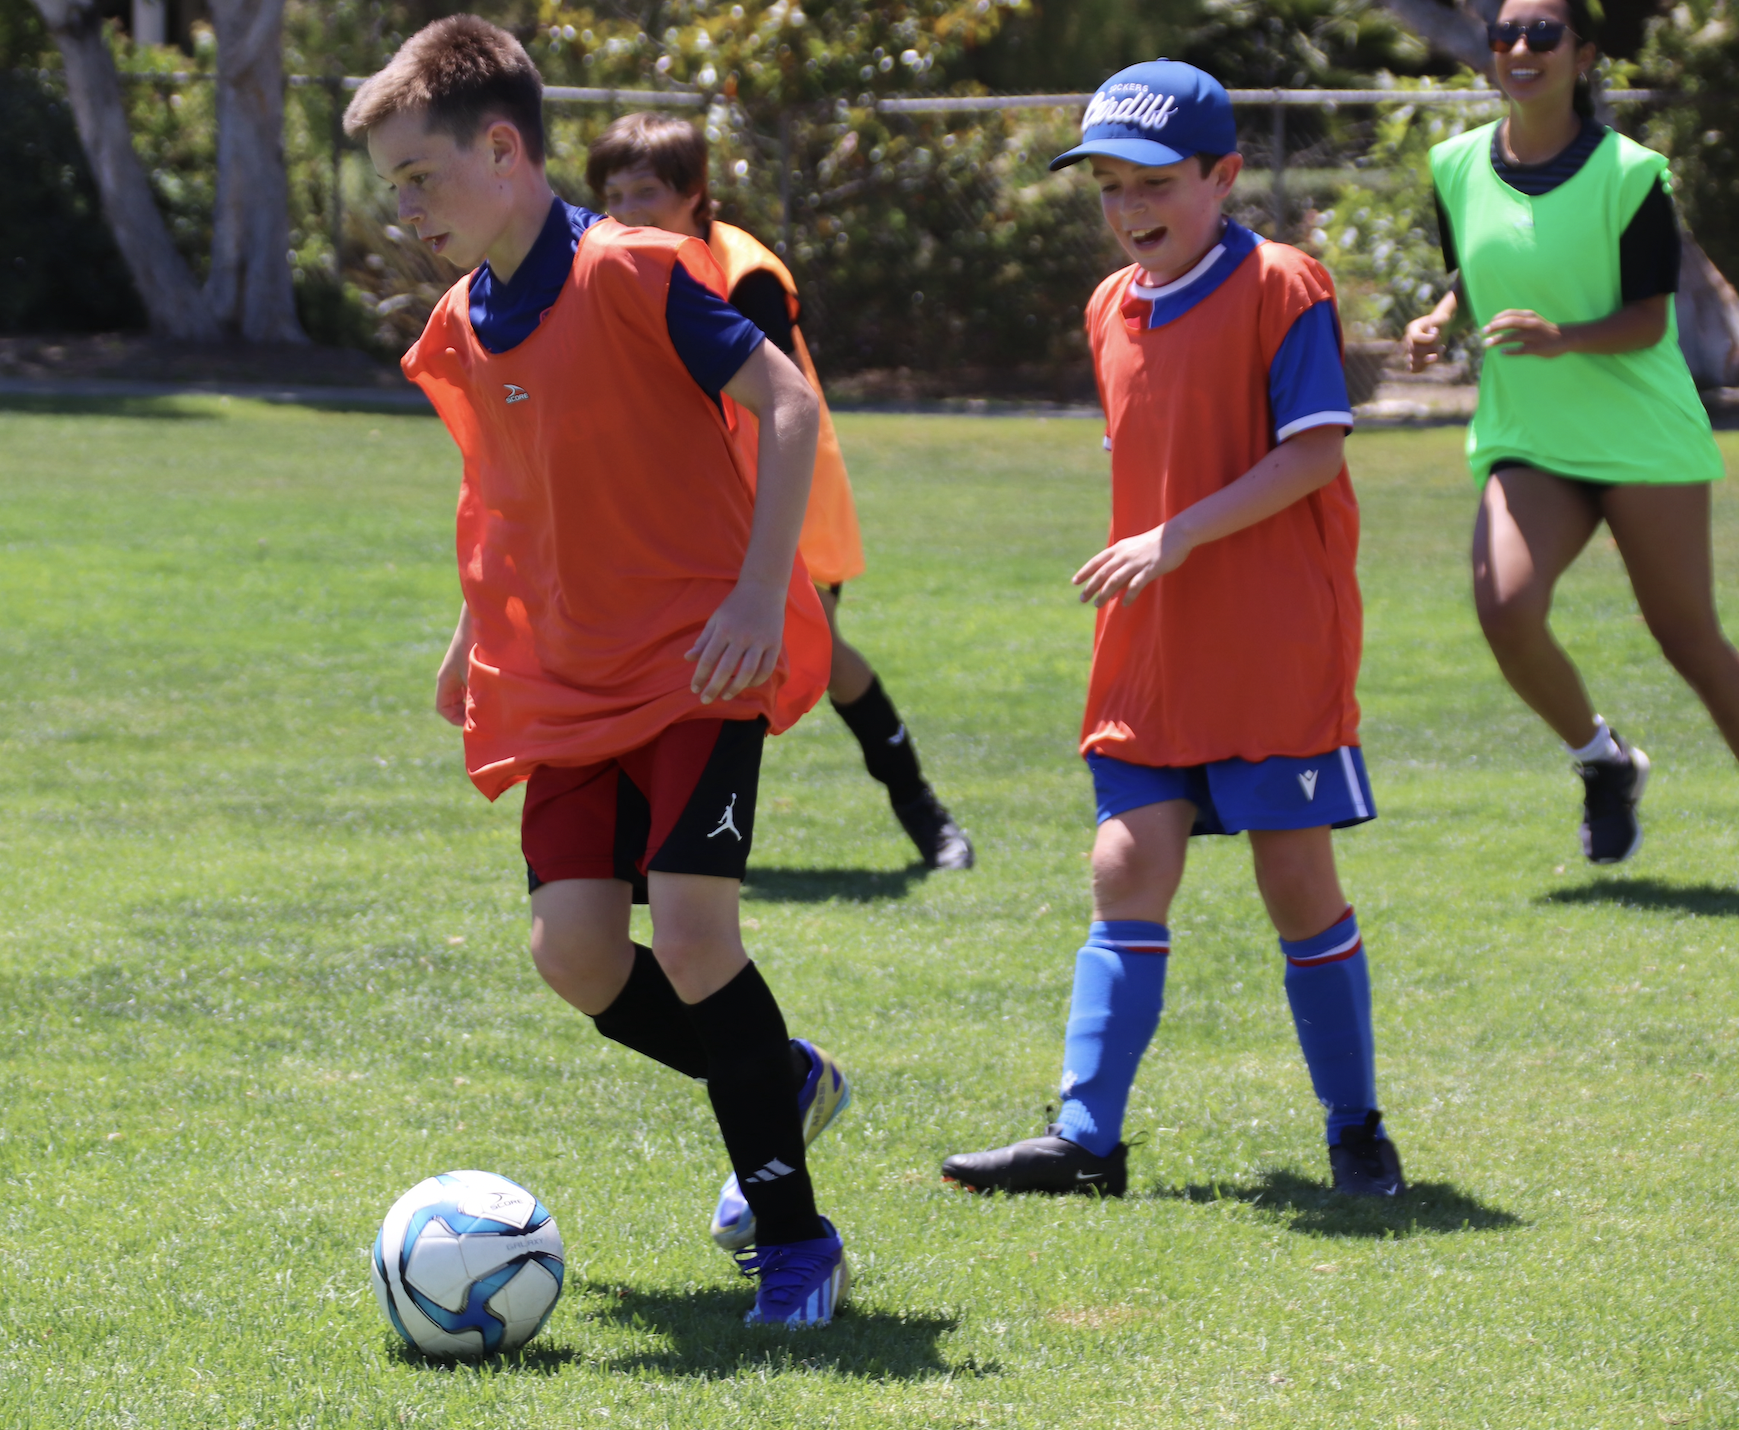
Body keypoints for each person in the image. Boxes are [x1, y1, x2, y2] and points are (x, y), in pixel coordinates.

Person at [345, 16, 853, 1326]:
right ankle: (783, 1076)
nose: (407, 210)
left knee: (689, 934)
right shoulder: (462, 323)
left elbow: (788, 404)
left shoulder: (629, 270)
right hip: (566, 677)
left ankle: (797, 1242)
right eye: (394, 187)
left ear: (502, 149)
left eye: (419, 177)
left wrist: (760, 590)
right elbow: (507, 499)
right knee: (574, 953)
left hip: (698, 656)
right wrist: (472, 635)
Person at [940, 60, 1403, 1199]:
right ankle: (1085, 1142)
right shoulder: (1110, 305)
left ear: (1223, 175)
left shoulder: (1284, 284)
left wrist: (1178, 534)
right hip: (1150, 645)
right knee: (1126, 862)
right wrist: (1158, 548)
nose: (1128, 206)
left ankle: (1357, 1131)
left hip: (1272, 643)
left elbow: (1315, 453)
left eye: (1153, 181)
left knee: (1295, 879)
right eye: (1108, 184)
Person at [584, 113, 976, 873]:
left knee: (817, 652)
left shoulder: (744, 273)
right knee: (669, 660)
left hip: (786, 496)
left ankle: (924, 813)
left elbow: (775, 406)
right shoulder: (613, 265)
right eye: (614, 195)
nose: (627, 212)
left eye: (646, 193)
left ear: (695, 194)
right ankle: (657, 846)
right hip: (689, 506)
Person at [1405, 0, 1734, 865]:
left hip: (1640, 435)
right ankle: (1603, 761)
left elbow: (1649, 319)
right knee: (1506, 610)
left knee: (1688, 640)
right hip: (1531, 435)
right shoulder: (1454, 165)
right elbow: (1474, 267)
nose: (1520, 48)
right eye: (1505, 34)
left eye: (1543, 34)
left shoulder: (1632, 174)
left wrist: (1564, 337)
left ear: (1583, 55)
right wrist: (1439, 316)